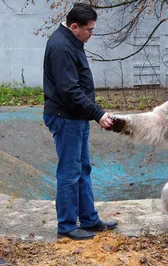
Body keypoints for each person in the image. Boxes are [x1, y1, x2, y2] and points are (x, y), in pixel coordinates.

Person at [43, 3, 117, 240]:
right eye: (90, 30)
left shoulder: (73, 41)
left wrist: (91, 113)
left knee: (83, 169)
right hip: (65, 118)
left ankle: (88, 219)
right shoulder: (61, 47)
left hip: (77, 117)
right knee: (69, 173)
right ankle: (66, 225)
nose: (91, 34)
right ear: (74, 27)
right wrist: (97, 113)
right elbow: (70, 90)